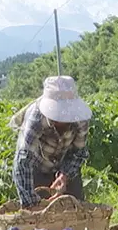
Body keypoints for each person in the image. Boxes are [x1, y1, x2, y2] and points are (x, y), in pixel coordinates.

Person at [9, 75, 92, 208]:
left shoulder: (80, 119)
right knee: (40, 217)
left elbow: (78, 153)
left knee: (75, 211)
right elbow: (23, 161)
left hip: (65, 165)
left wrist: (65, 176)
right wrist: (31, 203)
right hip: (38, 167)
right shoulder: (36, 118)